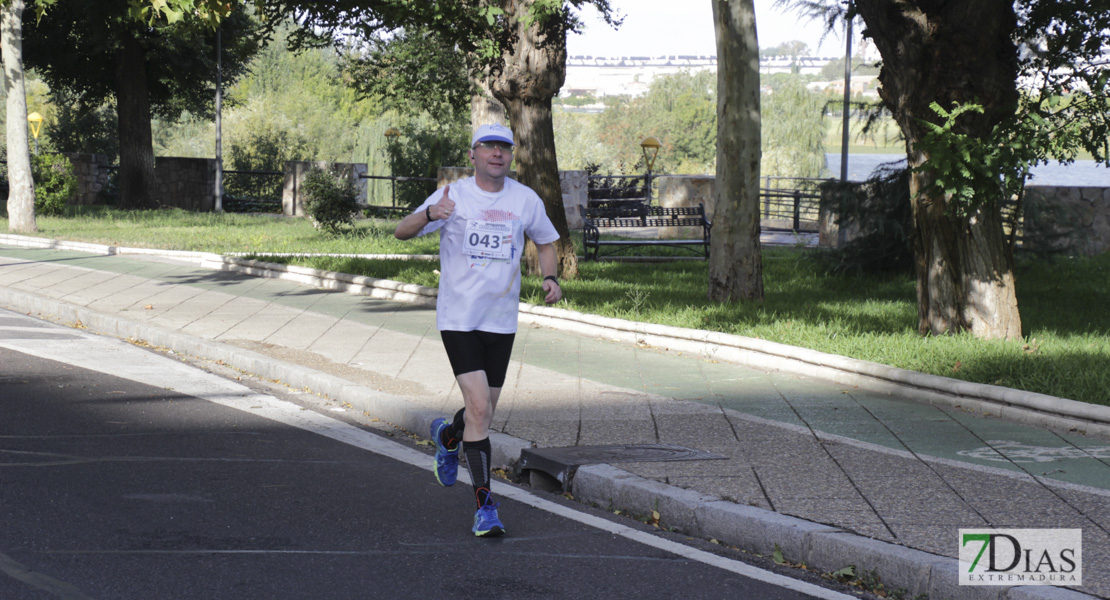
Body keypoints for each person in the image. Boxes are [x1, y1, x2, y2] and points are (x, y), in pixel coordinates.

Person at [394, 123, 563, 537]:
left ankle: (448, 436)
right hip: (459, 318)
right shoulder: (453, 195)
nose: (496, 154)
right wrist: (433, 213)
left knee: (479, 411)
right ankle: (485, 506)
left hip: (501, 321)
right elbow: (401, 230)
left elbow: (545, 242)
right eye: (488, 147)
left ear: (511, 156)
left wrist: (551, 277)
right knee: (482, 412)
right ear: (473, 155)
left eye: (504, 148)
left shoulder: (525, 200)